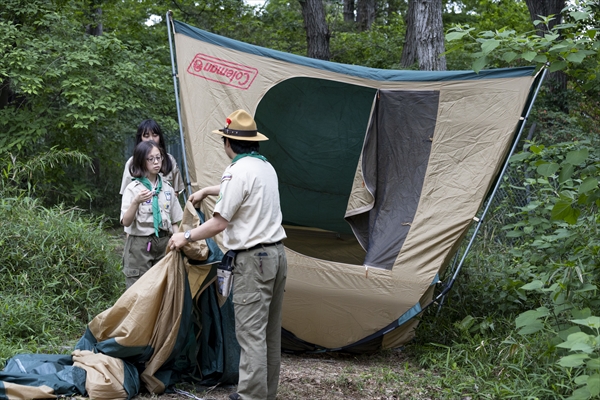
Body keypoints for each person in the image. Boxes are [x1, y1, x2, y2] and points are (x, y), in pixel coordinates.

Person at [169, 109, 287, 400]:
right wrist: (208, 191)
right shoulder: (265, 167)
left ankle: (250, 396)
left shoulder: (237, 169)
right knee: (269, 333)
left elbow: (219, 222)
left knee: (251, 334)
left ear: (229, 143)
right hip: (277, 256)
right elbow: (241, 190)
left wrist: (184, 236)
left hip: (253, 260)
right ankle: (264, 393)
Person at [121, 140, 183, 288]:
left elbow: (174, 220)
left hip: (163, 242)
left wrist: (178, 240)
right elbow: (126, 222)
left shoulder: (167, 188)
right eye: (151, 159)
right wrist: (136, 202)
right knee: (139, 288)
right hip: (140, 244)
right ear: (141, 161)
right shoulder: (133, 189)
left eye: (159, 157)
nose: (156, 162)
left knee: (162, 287)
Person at [120, 119, 185, 197]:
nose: (151, 139)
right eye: (146, 136)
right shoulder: (132, 162)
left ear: (160, 137)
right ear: (140, 138)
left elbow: (175, 192)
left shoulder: (169, 160)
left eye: (155, 135)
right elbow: (126, 195)